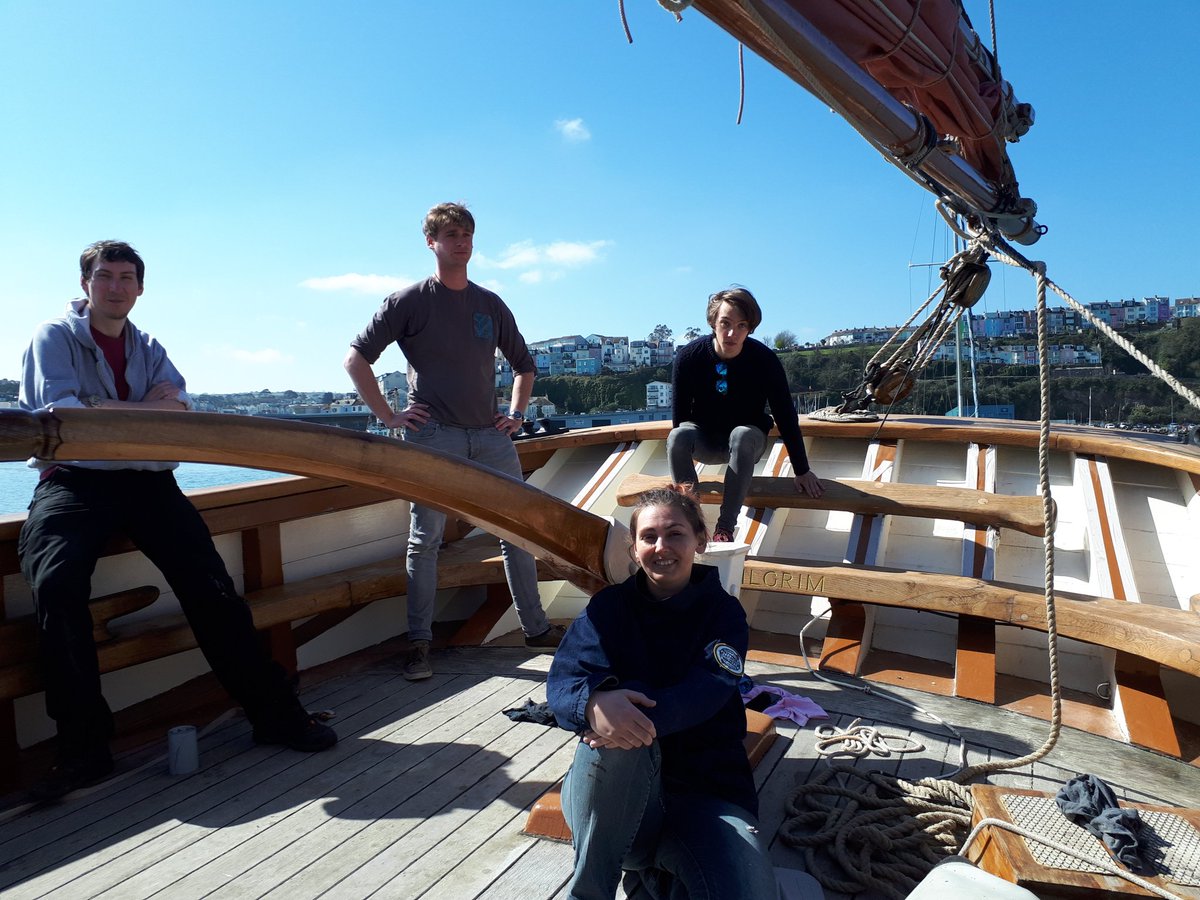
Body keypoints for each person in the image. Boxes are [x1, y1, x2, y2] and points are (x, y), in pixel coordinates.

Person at [18, 240, 337, 803]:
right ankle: (83, 749)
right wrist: (142, 410)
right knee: (57, 585)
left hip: (147, 482)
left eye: (126, 278)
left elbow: (182, 411)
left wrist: (103, 408)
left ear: (140, 289)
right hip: (74, 481)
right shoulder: (54, 337)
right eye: (105, 276)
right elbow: (62, 414)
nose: (116, 287)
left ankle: (275, 714)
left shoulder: (148, 345)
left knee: (213, 588)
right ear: (86, 284)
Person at [344, 202, 562, 682]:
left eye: (466, 233)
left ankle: (535, 628)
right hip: (433, 436)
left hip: (490, 436)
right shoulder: (408, 301)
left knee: (517, 534)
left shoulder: (490, 304)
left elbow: (525, 366)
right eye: (450, 234)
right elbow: (356, 359)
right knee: (425, 541)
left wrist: (516, 415)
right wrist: (388, 416)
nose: (460, 242)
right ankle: (419, 644)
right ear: (432, 243)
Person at [547, 485, 777, 899]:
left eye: (675, 534)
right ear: (634, 550)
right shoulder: (608, 609)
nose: (661, 546)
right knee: (617, 734)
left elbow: (708, 688)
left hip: (707, 796)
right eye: (648, 536)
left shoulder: (724, 615)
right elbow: (564, 683)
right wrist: (594, 703)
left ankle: (658, 874)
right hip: (616, 798)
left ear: (700, 542)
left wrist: (633, 718)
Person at [669, 287, 823, 543]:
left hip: (747, 442)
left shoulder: (764, 360)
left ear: (750, 328)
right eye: (725, 323)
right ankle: (690, 524)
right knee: (678, 435)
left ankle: (725, 528)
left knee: (741, 435)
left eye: (741, 326)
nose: (732, 333)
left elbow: (785, 416)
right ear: (712, 322)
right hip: (706, 440)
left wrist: (802, 470)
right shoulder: (689, 358)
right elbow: (680, 418)